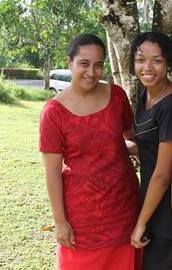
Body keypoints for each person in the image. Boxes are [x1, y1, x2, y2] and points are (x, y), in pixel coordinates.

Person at [39, 34, 141, 270]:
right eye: (84, 64)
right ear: (69, 63)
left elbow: (128, 140)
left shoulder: (117, 96)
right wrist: (60, 222)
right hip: (82, 214)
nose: (92, 72)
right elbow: (52, 172)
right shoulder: (53, 112)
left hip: (125, 206)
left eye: (98, 65)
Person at [129, 32, 172, 270]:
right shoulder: (145, 93)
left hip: (165, 206)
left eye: (157, 60)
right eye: (140, 59)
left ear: (169, 64)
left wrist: (141, 223)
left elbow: (164, 173)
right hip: (148, 194)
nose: (147, 67)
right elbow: (152, 145)